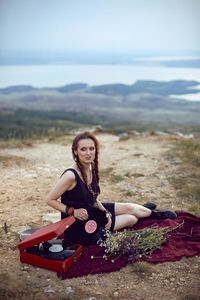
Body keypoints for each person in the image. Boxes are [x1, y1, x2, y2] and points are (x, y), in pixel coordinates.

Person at [46, 131, 176, 245]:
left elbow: (93, 197)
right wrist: (73, 211)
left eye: (91, 149)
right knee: (131, 219)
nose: (88, 153)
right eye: (83, 149)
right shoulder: (70, 175)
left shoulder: (90, 167)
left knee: (130, 208)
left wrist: (105, 212)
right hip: (79, 224)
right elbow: (50, 199)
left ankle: (154, 214)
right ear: (75, 151)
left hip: (93, 209)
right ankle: (143, 212)